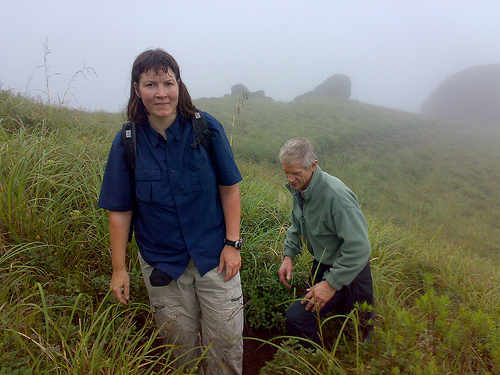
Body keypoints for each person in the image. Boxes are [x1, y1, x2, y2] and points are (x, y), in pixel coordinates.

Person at [98, 49, 243, 375]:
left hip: (215, 260)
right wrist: (119, 270)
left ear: (179, 84)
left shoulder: (206, 129)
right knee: (182, 356)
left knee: (226, 349)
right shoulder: (127, 143)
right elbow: (120, 211)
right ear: (137, 89)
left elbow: (229, 187)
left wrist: (233, 244)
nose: (161, 93)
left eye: (168, 82)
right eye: (151, 84)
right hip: (162, 266)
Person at [277, 138, 374, 347]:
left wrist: (331, 284)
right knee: (312, 319)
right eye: (286, 173)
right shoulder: (302, 189)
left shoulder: (336, 196)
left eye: (295, 173)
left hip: (352, 272)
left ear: (313, 166)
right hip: (323, 264)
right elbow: (297, 224)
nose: (290, 179)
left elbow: (360, 248)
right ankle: (315, 361)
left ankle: (323, 364)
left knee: (357, 336)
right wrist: (288, 256)